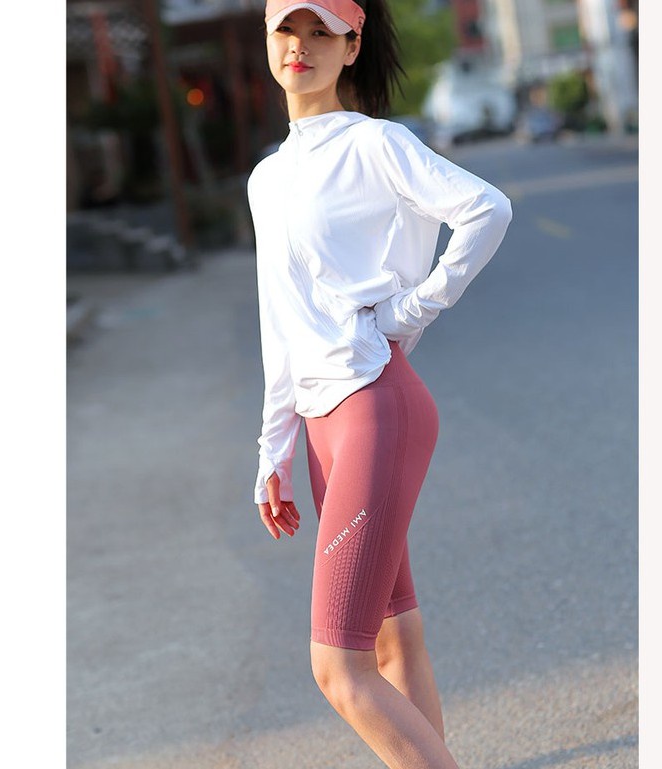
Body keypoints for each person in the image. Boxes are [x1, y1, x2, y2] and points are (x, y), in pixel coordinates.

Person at [248, 0, 512, 766]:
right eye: (286, 29)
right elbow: (280, 322)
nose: (300, 46)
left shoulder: (374, 144)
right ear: (266, 38)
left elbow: (486, 209)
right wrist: (272, 449)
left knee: (338, 666)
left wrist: (408, 310)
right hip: (322, 423)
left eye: (320, 32)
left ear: (351, 46)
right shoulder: (266, 178)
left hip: (373, 407)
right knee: (394, 639)